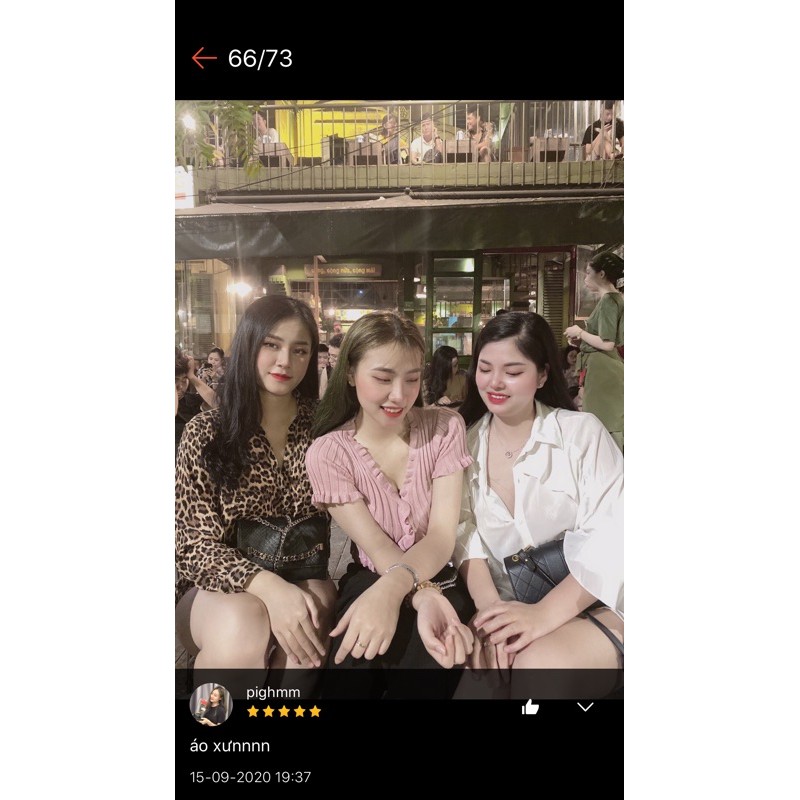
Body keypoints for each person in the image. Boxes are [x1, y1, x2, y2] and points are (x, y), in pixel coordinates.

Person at [305, 312, 475, 695]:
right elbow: (378, 546)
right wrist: (417, 593)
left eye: (412, 379)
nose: (399, 395)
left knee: (429, 661)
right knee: (351, 670)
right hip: (372, 574)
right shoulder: (328, 453)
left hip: (441, 572)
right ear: (350, 373)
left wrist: (399, 590)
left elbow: (441, 535)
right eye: (383, 379)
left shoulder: (445, 427)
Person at [455, 312, 623, 694]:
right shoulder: (463, 446)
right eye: (484, 368)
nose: (495, 382)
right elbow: (463, 535)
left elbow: (613, 534)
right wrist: (491, 616)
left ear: (543, 375)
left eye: (513, 371)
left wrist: (544, 615)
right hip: (511, 608)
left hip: (600, 601)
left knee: (537, 668)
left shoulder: (580, 434)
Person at [175, 295, 337, 673]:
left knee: (310, 616)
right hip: (216, 592)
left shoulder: (324, 429)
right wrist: (266, 585)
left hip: (303, 577)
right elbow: (191, 545)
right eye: (271, 345)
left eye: (300, 350)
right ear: (249, 344)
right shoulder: (207, 432)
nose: (285, 361)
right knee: (245, 621)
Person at [564, 252, 624, 451]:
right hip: (604, 367)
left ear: (602, 274)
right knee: (605, 423)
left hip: (603, 370)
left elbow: (607, 343)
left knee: (603, 424)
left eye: (588, 273)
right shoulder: (614, 299)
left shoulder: (609, 301)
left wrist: (580, 332)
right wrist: (581, 339)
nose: (585, 278)